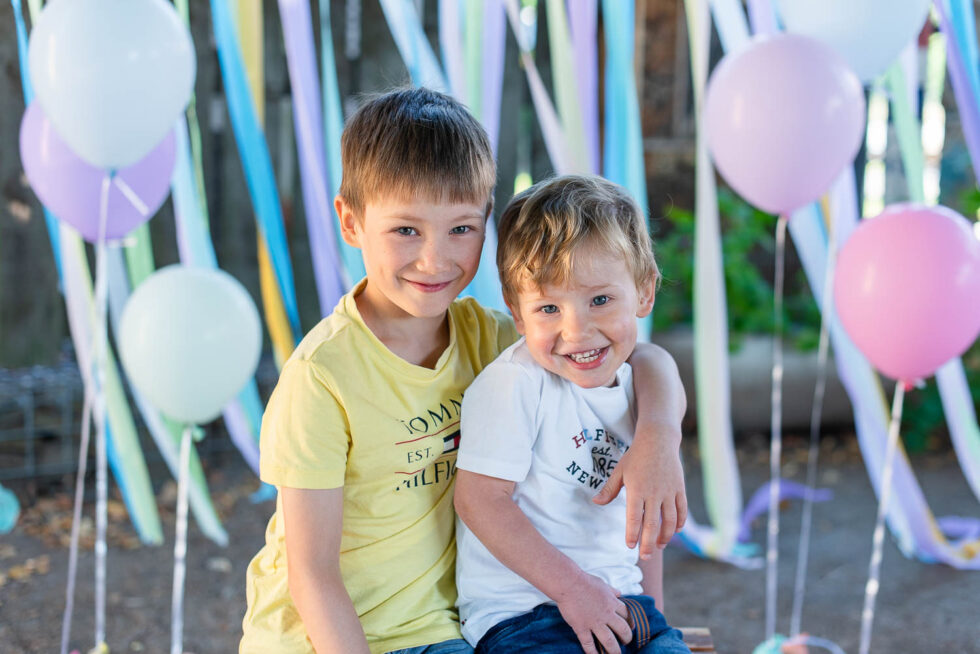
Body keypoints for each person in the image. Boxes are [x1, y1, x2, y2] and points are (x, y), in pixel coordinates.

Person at [240, 88, 687, 654]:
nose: (436, 259)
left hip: (444, 631)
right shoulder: (322, 377)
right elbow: (312, 576)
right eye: (406, 230)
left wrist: (658, 436)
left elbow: (643, 359)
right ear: (351, 222)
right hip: (329, 639)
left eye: (461, 229)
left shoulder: (492, 337)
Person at [454, 175, 691, 654]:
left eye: (600, 300)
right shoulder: (517, 383)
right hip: (528, 615)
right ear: (517, 315)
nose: (577, 331)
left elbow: (646, 527)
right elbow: (480, 501)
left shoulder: (637, 381)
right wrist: (573, 591)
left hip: (625, 607)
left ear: (644, 292)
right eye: (547, 307)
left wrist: (654, 625)